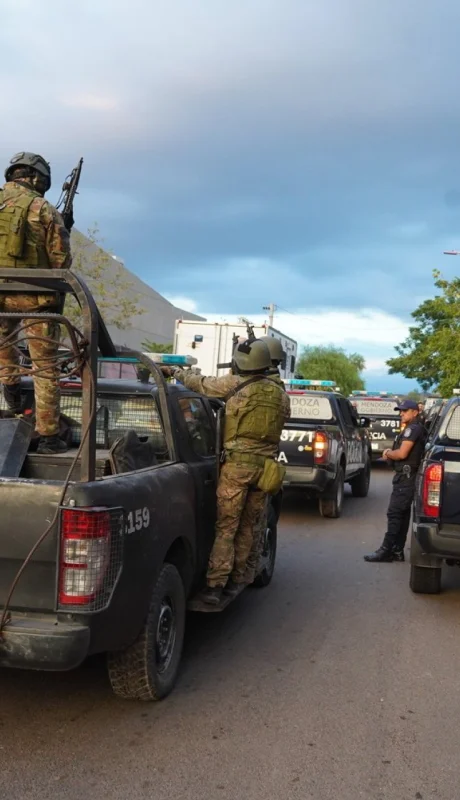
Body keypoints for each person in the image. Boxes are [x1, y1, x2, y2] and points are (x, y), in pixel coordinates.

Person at [161, 338, 290, 604]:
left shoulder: (235, 384)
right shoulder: (280, 393)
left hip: (237, 468)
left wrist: (175, 371)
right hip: (266, 469)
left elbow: (200, 384)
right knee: (248, 527)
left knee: (227, 528)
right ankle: (237, 581)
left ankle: (216, 585)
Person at [0, 152, 72, 454]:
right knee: (45, 368)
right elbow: (61, 261)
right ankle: (49, 438)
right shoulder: (43, 208)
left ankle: (12, 393)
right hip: (36, 300)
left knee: (4, 353)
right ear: (38, 179)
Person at [364, 399, 426, 563]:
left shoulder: (413, 429)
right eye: (401, 411)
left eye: (405, 411)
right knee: (403, 515)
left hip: (406, 477)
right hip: (406, 476)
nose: (401, 413)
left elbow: (402, 454)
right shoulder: (412, 428)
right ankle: (397, 550)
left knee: (395, 513)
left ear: (415, 412)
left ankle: (385, 550)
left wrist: (388, 453)